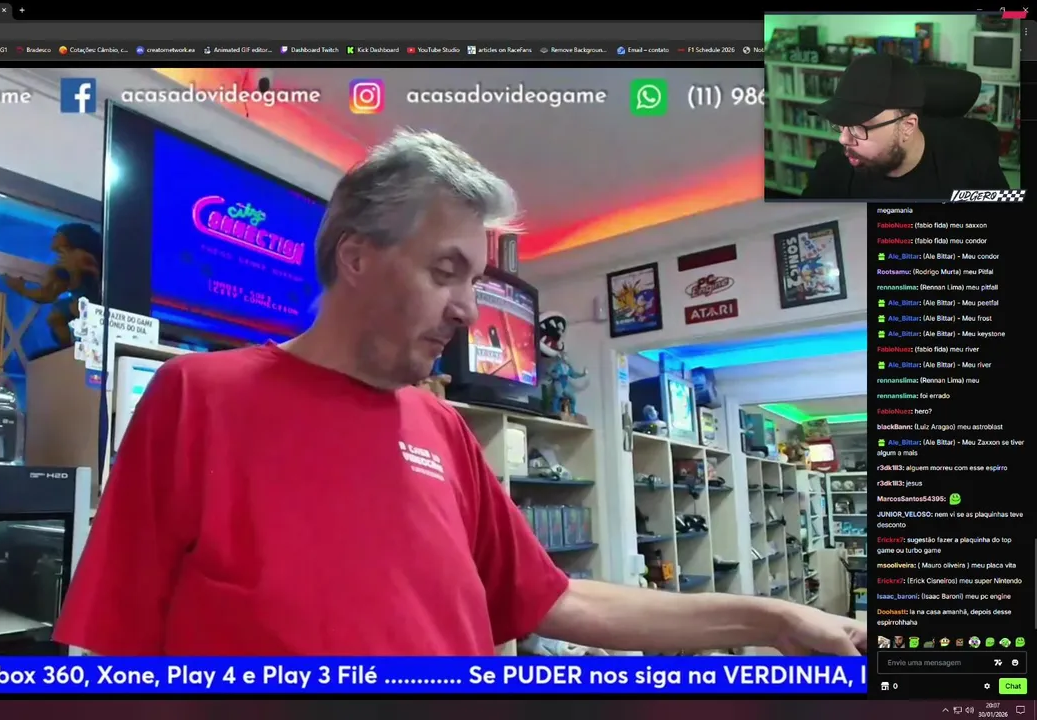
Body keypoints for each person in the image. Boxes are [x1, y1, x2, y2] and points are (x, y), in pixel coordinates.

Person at [55, 130, 867, 657]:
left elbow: (561, 602)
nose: (470, 311)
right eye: (447, 271)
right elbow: (111, 642)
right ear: (356, 257)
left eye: (475, 279)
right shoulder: (195, 397)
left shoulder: (440, 427)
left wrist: (775, 619)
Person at [801, 54, 1009, 200]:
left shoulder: (972, 162)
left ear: (907, 126)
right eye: (841, 124)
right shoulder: (831, 168)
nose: (843, 139)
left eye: (858, 127)